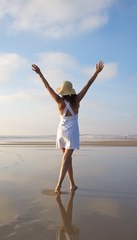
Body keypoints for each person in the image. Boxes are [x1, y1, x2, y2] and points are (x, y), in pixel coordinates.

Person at [32, 60, 104, 194]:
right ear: (71, 91)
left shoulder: (59, 101)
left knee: (67, 158)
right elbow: (88, 85)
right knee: (66, 158)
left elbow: (48, 87)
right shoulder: (77, 100)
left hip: (61, 132)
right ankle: (58, 185)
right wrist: (96, 72)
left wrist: (40, 74)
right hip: (72, 133)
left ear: (63, 92)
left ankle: (72, 185)